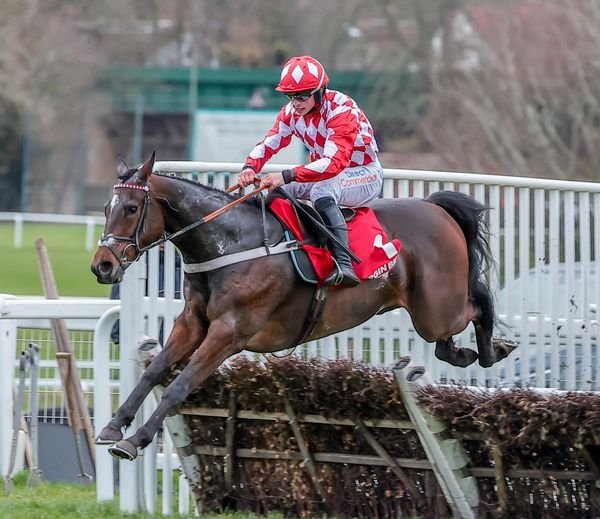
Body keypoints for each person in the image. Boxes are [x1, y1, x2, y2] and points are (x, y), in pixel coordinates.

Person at [237, 55, 383, 287]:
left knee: (320, 191)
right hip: (326, 174)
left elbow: (333, 163)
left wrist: (286, 175)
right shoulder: (291, 113)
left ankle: (344, 263)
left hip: (364, 173)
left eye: (302, 96)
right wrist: (249, 167)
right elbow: (269, 143)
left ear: (320, 91)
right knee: (276, 190)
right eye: (291, 96)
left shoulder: (341, 110)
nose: (296, 103)